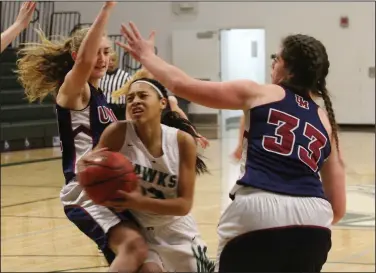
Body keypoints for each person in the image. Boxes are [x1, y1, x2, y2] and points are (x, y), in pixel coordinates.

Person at [116, 23, 346, 272]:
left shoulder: (259, 92)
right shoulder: (326, 121)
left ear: (287, 68)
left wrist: (147, 56)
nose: (272, 63)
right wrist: (300, 222)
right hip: (315, 222)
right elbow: (339, 206)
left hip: (258, 208)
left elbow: (182, 84)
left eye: (275, 58)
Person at [15, 4, 148, 272]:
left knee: (144, 259)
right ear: (78, 55)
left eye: (106, 51)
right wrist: (108, 9)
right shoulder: (74, 92)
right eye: (95, 52)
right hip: (86, 189)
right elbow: (85, 62)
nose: (101, 58)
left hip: (112, 187)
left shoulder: (101, 99)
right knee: (132, 246)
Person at [82, 72, 214, 272]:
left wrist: (136, 201)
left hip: (179, 232)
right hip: (142, 232)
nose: (135, 101)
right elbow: (90, 170)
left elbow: (183, 205)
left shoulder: (182, 141)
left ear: (162, 103)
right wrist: (86, 168)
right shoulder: (117, 133)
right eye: (130, 98)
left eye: (143, 96)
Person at [113, 68, 210, 149]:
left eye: (157, 81)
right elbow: (129, 121)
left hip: (165, 142)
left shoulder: (169, 101)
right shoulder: (133, 104)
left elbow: (182, 118)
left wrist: (195, 134)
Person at [99, 51, 130, 120]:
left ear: (117, 61)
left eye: (113, 60)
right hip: (103, 108)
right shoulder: (100, 75)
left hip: (119, 109)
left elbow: (130, 93)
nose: (111, 62)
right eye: (108, 60)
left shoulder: (125, 76)